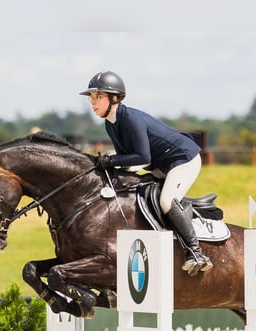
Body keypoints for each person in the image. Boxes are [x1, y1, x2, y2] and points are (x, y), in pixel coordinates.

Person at [80, 70, 212, 275]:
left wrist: (111, 160)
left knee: (167, 201)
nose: (93, 102)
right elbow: (126, 157)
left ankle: (196, 253)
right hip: (160, 164)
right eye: (92, 98)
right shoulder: (110, 123)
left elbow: (142, 157)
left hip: (183, 160)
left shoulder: (130, 119)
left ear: (115, 98)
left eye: (98, 97)